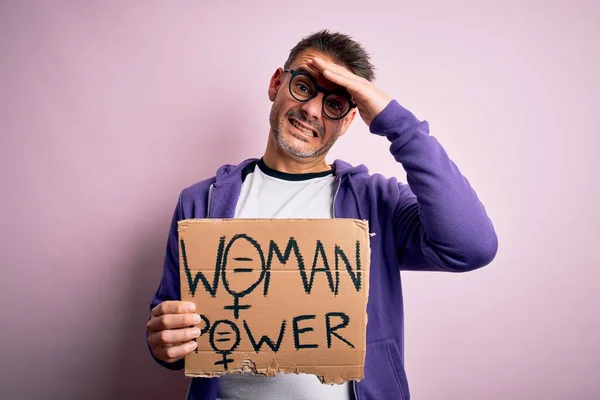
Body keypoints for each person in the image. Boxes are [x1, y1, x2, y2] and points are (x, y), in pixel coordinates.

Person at [146, 30, 498, 400]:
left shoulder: (377, 203)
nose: (313, 110)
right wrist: (163, 342)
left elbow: (472, 245)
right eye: (303, 87)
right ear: (276, 83)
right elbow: (169, 325)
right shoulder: (203, 200)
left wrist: (396, 121)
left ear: (348, 121)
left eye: (334, 104)